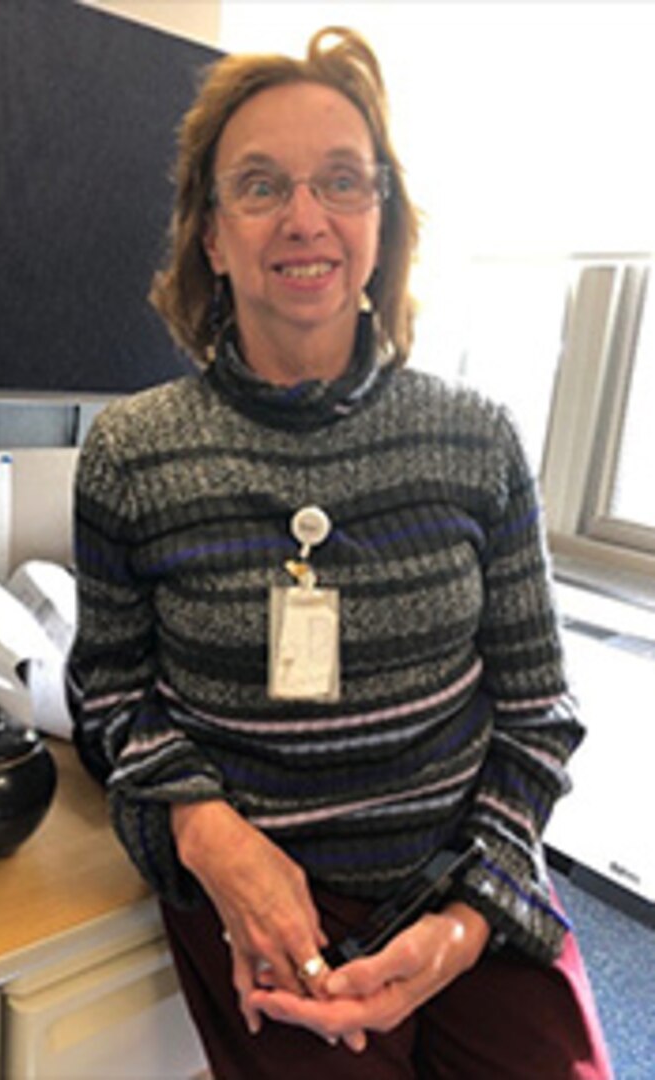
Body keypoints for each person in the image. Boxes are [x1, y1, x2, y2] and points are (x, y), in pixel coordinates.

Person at [68, 26, 613, 1079]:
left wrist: (467, 919)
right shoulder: (132, 453)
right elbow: (109, 701)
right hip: (267, 897)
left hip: (468, 877)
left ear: (382, 221)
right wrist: (209, 837)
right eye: (261, 185)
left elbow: (540, 712)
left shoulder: (478, 439)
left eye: (342, 183)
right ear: (212, 237)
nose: (305, 217)